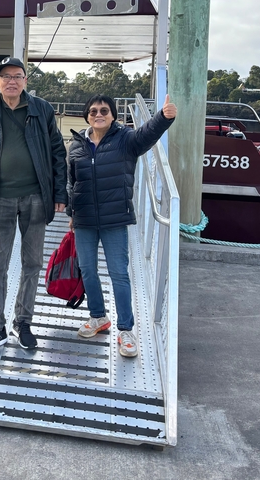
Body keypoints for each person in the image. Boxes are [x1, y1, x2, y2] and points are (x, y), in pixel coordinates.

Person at [0, 56, 67, 356]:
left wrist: (60, 192)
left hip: (35, 196)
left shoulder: (41, 109)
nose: (11, 81)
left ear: (25, 81)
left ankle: (24, 322)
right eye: (5, 76)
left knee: (32, 262)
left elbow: (58, 152)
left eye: (17, 76)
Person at [67, 93, 177, 358]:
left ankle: (126, 329)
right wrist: (71, 211)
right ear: (87, 116)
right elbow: (72, 181)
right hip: (83, 219)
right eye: (93, 111)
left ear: (113, 115)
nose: (98, 114)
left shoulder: (125, 140)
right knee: (88, 271)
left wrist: (163, 118)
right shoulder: (77, 144)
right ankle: (98, 317)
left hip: (115, 218)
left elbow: (146, 136)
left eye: (104, 110)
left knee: (118, 273)